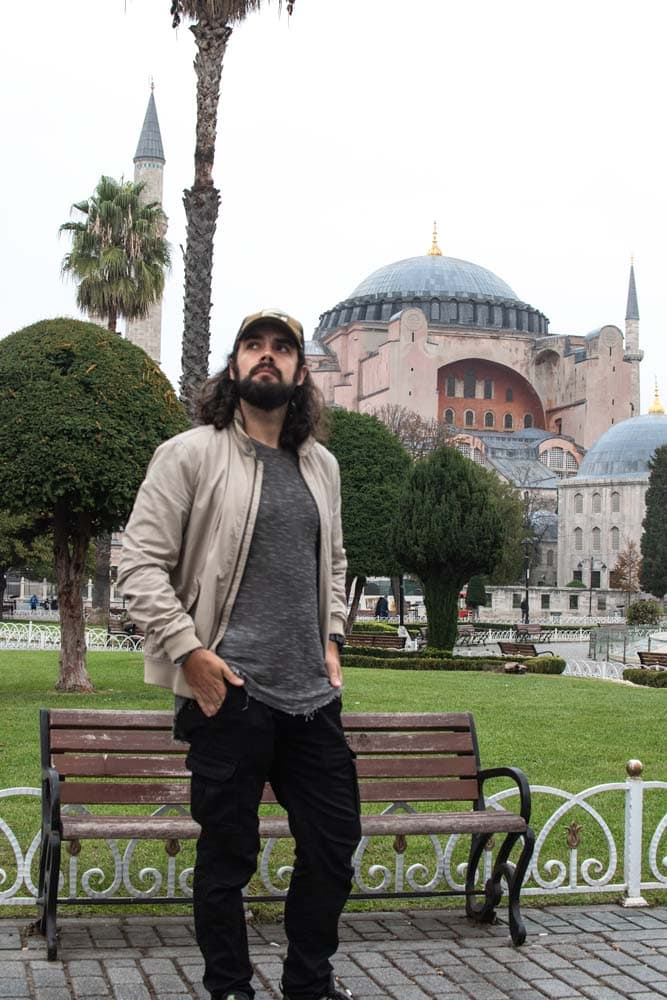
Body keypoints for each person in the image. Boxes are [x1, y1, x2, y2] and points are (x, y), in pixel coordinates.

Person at [118, 309, 360, 1000]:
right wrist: (189, 652)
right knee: (228, 859)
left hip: (311, 698)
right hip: (230, 694)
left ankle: (307, 983)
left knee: (333, 847)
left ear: (301, 372)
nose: (267, 357)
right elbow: (137, 563)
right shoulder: (190, 453)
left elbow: (334, 561)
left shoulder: (322, 466)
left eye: (282, 348)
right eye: (253, 346)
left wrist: (333, 640)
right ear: (233, 367)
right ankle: (230, 987)